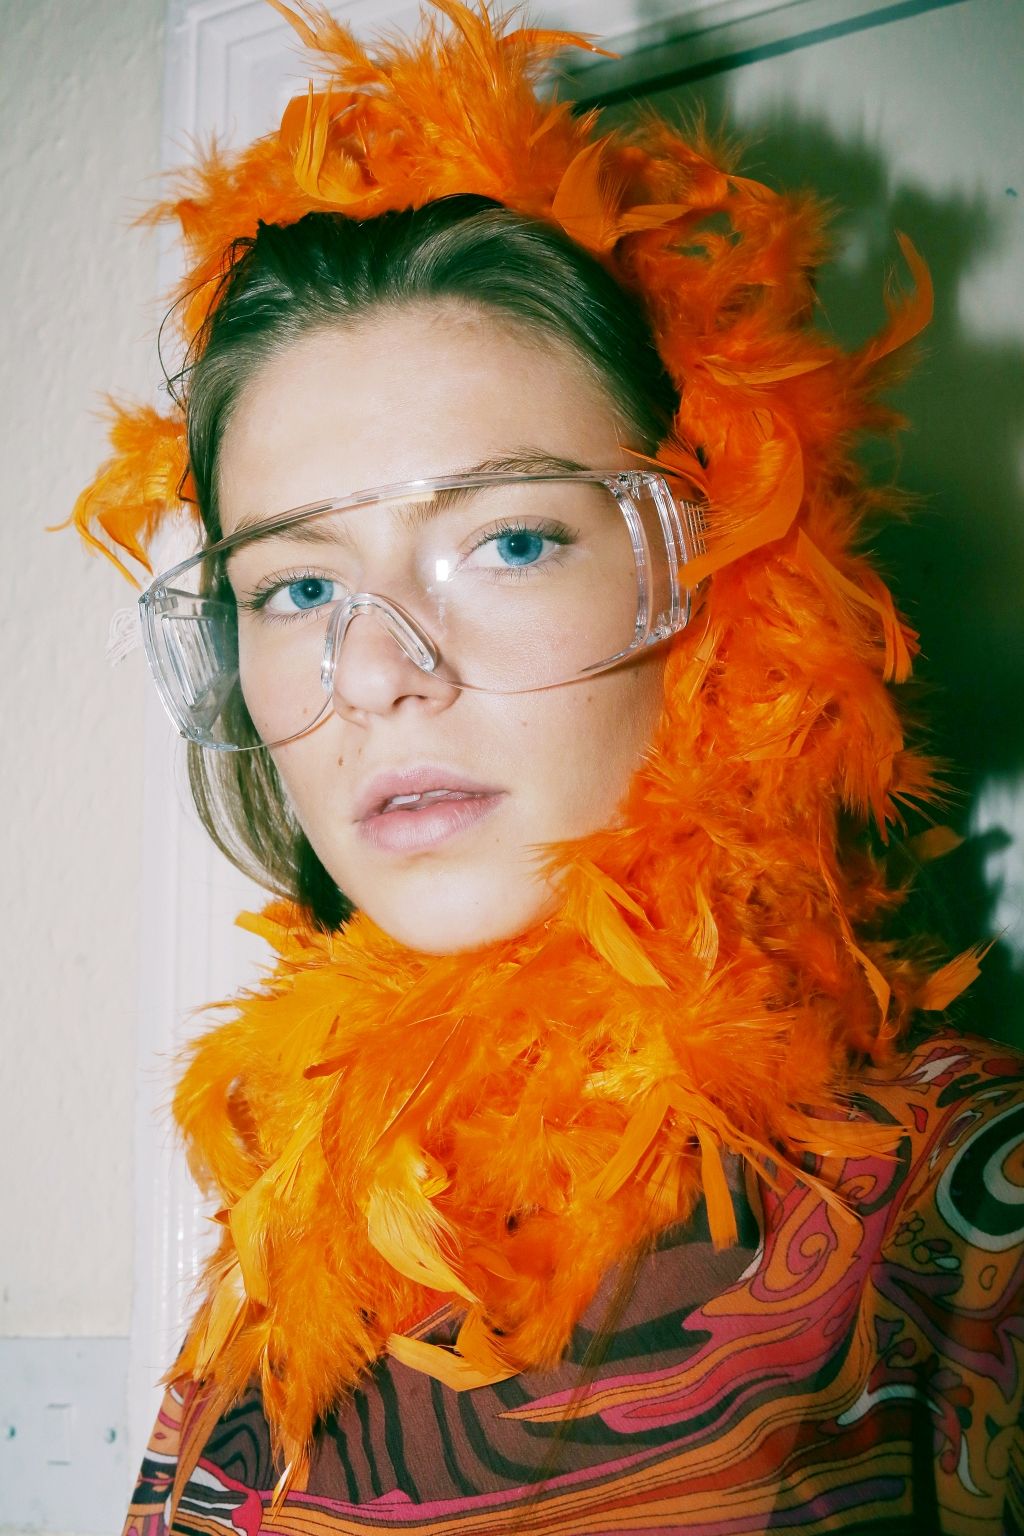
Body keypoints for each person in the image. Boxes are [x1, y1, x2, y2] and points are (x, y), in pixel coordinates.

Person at [70, 2, 1024, 1530]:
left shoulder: (971, 1219)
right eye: (298, 586)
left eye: (508, 541)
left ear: (717, 584)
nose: (374, 672)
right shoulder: (287, 1245)